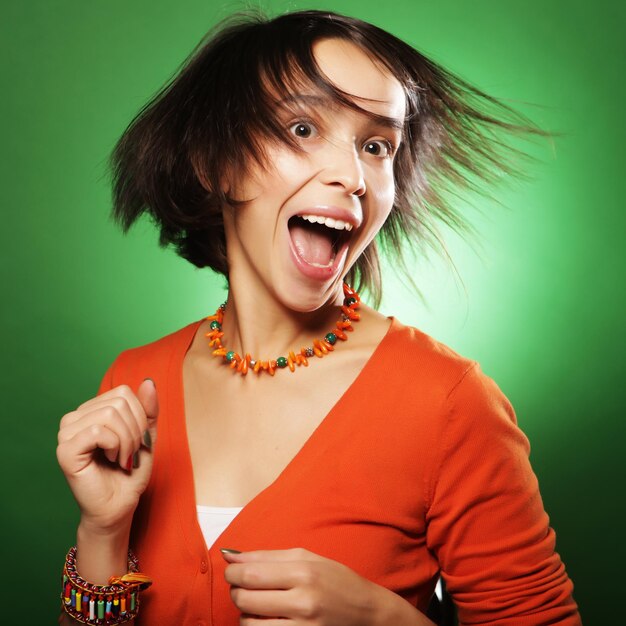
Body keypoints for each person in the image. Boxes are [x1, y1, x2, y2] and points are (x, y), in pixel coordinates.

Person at [56, 9, 582, 626]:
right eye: (302, 127)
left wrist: (387, 620)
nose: (352, 176)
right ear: (214, 163)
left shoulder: (448, 402)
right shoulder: (134, 383)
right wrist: (102, 531)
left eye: (377, 145)